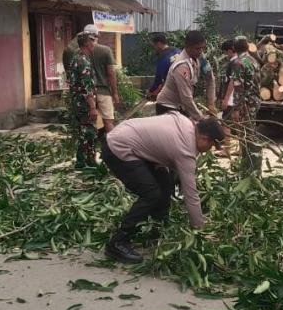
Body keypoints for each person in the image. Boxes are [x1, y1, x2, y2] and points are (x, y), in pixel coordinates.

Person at [102, 114, 226, 263]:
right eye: (211, 145)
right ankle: (118, 241)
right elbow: (191, 195)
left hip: (126, 136)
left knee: (165, 182)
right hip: (118, 147)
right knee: (151, 193)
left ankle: (158, 230)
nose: (210, 150)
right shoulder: (185, 149)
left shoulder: (187, 123)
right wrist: (200, 229)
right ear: (204, 138)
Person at [155, 30, 216, 119]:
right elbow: (186, 98)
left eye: (202, 48)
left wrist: (211, 103)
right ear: (188, 46)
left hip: (181, 106)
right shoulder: (181, 66)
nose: (200, 51)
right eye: (197, 48)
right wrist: (201, 118)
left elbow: (210, 78)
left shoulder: (200, 58)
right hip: (167, 106)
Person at [224, 36, 263, 173]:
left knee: (246, 135)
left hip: (245, 104)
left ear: (234, 48)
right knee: (250, 132)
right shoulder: (254, 61)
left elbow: (238, 87)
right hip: (255, 101)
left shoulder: (238, 63)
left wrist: (236, 109)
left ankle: (251, 167)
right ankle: (250, 165)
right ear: (247, 47)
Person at [66, 29, 101, 169]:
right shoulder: (83, 61)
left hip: (77, 100)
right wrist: (92, 107)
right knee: (89, 131)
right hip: (84, 102)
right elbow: (87, 87)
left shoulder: (77, 57)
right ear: (87, 43)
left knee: (84, 130)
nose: (95, 43)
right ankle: (85, 161)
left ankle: (84, 160)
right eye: (93, 40)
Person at [91, 36, 120, 134]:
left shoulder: (80, 51)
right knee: (108, 122)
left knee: (88, 122)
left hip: (87, 93)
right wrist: (115, 93)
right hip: (103, 91)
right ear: (96, 37)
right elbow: (111, 73)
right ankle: (112, 146)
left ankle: (90, 147)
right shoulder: (105, 50)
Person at [146, 33, 180, 100]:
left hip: (172, 91)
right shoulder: (178, 51)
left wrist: (151, 92)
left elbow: (158, 79)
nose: (154, 49)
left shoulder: (163, 57)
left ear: (159, 44)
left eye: (154, 46)